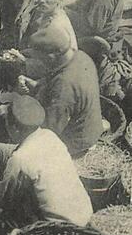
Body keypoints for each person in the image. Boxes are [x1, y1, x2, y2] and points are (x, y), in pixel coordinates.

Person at [0, 94, 93, 227]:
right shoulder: (49, 136)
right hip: (83, 215)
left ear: (14, 128)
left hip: (57, 230)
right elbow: (31, 151)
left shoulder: (19, 159)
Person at [16, 26, 103, 156]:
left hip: (76, 141)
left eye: (40, 58)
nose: (39, 62)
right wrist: (37, 85)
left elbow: (49, 130)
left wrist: (17, 108)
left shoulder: (64, 85)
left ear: (52, 56)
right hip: (88, 126)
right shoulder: (81, 56)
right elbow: (56, 80)